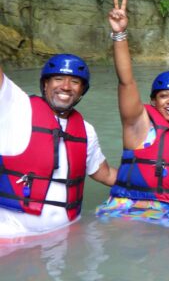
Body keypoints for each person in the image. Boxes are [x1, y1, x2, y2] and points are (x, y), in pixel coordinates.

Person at [95, 0, 169, 227]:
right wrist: (120, 34)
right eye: (164, 96)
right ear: (153, 101)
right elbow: (126, 81)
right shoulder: (139, 123)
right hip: (132, 209)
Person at [0, 55, 116, 237]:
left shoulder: (86, 130)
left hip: (66, 239)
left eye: (75, 82)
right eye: (58, 79)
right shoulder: (15, 109)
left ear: (82, 90)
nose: (66, 86)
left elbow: (106, 174)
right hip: (12, 239)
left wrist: (155, 186)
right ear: (45, 84)